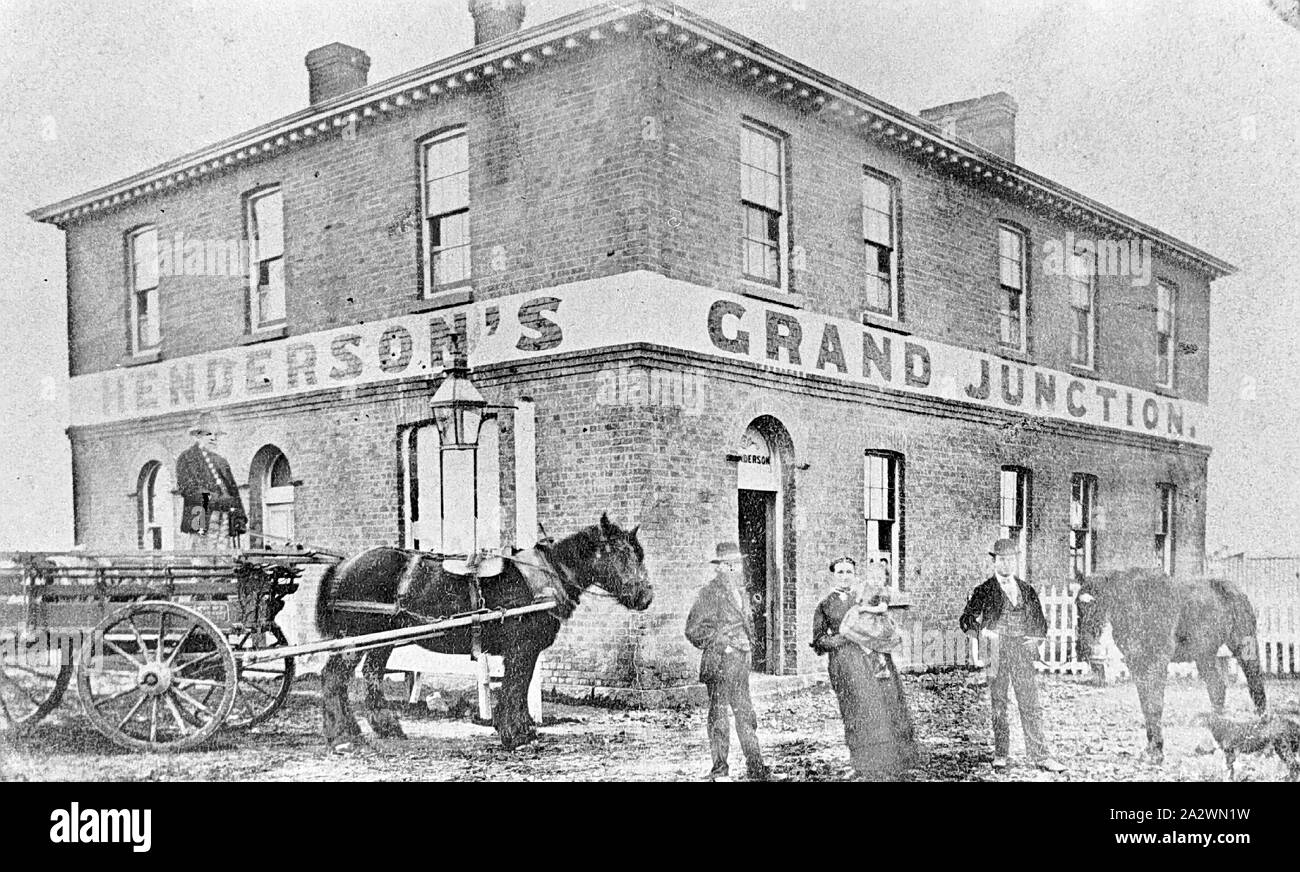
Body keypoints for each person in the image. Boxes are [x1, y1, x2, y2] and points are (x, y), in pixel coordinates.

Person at [959, 538, 1066, 773]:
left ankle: (1041, 756)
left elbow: (1040, 623)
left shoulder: (1027, 590)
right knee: (999, 704)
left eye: (1010, 559)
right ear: (994, 562)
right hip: (996, 653)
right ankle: (1001, 753)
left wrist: (1036, 638)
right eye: (1002, 559)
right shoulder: (984, 590)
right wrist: (982, 632)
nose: (1006, 564)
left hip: (1022, 653)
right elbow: (966, 620)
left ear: (1015, 561)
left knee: (1030, 704)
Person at [811, 556, 919, 780]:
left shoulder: (865, 596)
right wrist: (846, 637)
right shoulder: (825, 605)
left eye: (849, 572)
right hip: (845, 665)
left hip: (875, 660)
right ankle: (860, 763)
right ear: (833, 576)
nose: (845, 577)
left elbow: (882, 621)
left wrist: (874, 634)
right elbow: (819, 641)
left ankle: (894, 760)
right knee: (854, 713)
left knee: (886, 706)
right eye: (840, 572)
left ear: (855, 574)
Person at [685, 542, 771, 782]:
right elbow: (693, 630)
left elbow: (747, 624)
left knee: (746, 715)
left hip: (740, 663)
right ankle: (720, 771)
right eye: (728, 564)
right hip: (720, 663)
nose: (734, 568)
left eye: (736, 563)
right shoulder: (709, 592)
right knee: (719, 718)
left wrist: (748, 646)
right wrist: (724, 644)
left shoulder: (741, 592)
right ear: (719, 567)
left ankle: (756, 768)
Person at [175, 411, 247, 549]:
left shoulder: (221, 462)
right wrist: (217, 500)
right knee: (203, 557)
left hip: (224, 519)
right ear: (198, 436)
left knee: (224, 557)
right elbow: (189, 490)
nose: (214, 438)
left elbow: (234, 492)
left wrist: (239, 516)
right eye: (209, 434)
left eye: (216, 435)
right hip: (200, 517)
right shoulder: (186, 458)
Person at [837, 561, 901, 679]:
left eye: (879, 578)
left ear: (885, 579)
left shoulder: (883, 591)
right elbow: (858, 599)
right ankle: (875, 658)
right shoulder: (866, 587)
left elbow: (882, 608)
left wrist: (865, 608)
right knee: (849, 633)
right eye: (873, 578)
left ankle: (879, 661)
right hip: (864, 619)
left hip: (876, 621)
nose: (876, 581)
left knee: (869, 640)